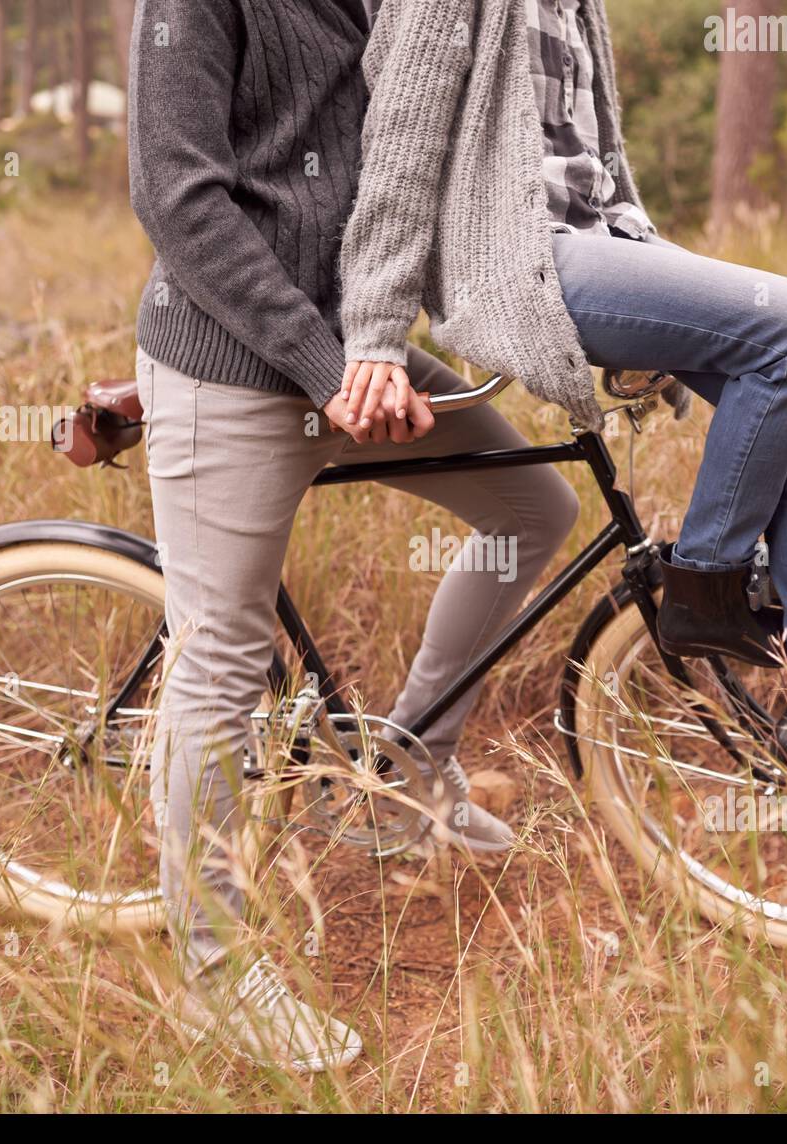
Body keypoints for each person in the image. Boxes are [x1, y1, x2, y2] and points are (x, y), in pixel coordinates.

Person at [127, 0, 579, 1073]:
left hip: (352, 353)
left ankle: (406, 771)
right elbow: (179, 202)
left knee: (532, 508)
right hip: (236, 369)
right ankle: (218, 974)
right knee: (222, 652)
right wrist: (326, 369)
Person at [340, 0, 787, 776]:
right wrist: (375, 332)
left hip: (596, 249)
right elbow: (398, 147)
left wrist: (660, 298)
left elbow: (600, 174)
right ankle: (705, 585)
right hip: (515, 267)